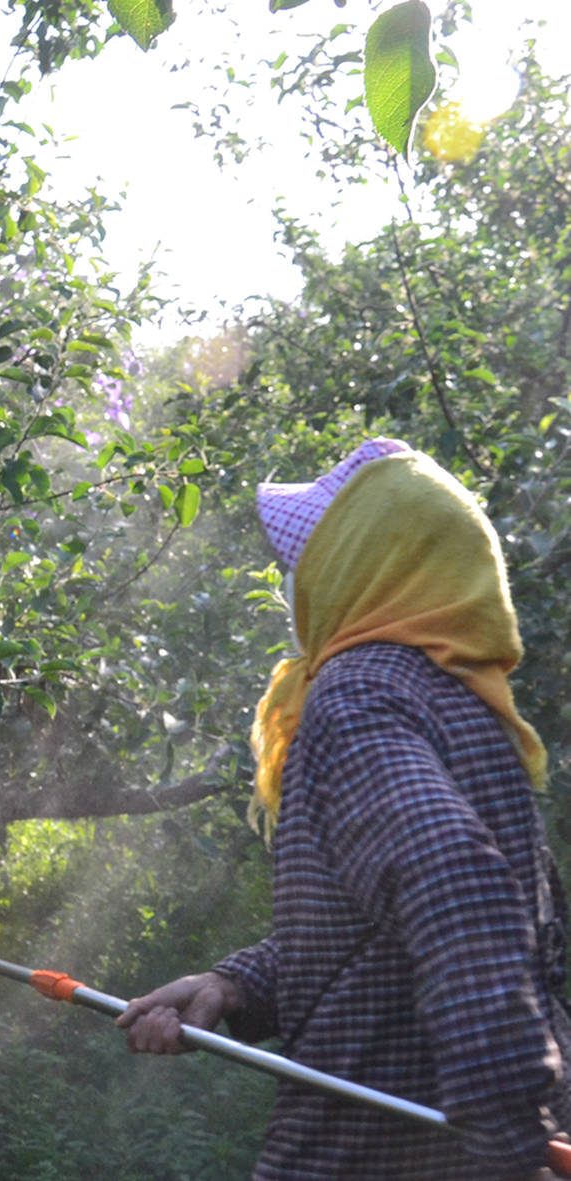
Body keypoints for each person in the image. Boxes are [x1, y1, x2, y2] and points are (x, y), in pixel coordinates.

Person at [116, 438, 571, 1179]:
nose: (295, 582)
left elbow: (457, 884)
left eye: (309, 561)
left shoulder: (357, 699)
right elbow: (380, 929)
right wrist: (233, 985)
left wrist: (509, 1133)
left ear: (363, 570)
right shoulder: (463, 699)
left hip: (385, 1153)